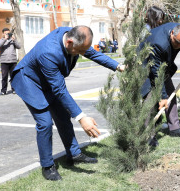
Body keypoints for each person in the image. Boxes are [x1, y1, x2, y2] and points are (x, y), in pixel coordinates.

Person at [11, 26, 125, 181]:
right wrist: (81, 117)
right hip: (30, 82)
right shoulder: (49, 52)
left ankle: (74, 154)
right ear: (69, 42)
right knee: (44, 123)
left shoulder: (74, 37)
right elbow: (59, 89)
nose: (83, 53)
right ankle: (48, 166)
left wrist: (118, 66)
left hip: (48, 80)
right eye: (80, 51)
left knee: (63, 116)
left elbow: (92, 53)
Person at [141, 23, 180, 147]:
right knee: (150, 99)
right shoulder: (159, 43)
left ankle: (174, 128)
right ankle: (148, 136)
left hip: (162, 65)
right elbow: (156, 72)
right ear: (172, 33)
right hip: (145, 66)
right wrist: (163, 97)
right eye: (177, 43)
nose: (179, 46)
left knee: (171, 94)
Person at [0, 28, 21, 96]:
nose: (8, 34)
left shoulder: (13, 40)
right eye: (6, 33)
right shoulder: (1, 40)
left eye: (9, 33)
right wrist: (5, 39)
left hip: (13, 61)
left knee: (13, 76)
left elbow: (19, 46)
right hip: (4, 62)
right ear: (3, 34)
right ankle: (3, 91)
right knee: (4, 77)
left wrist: (14, 40)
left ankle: (14, 89)